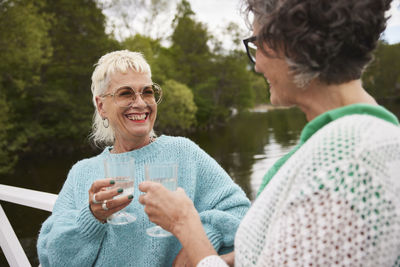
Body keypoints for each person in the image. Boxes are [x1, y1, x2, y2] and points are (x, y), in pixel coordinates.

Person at [138, 0, 400, 266]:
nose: (257, 66)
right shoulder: (355, 143)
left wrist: (185, 225)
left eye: (257, 44)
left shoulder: (348, 163)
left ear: (291, 41)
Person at [36, 50, 251, 266]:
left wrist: (195, 246)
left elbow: (241, 215)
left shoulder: (183, 152)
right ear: (101, 106)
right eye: (126, 93)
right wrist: (91, 217)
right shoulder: (81, 172)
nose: (140, 103)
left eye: (147, 92)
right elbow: (50, 256)